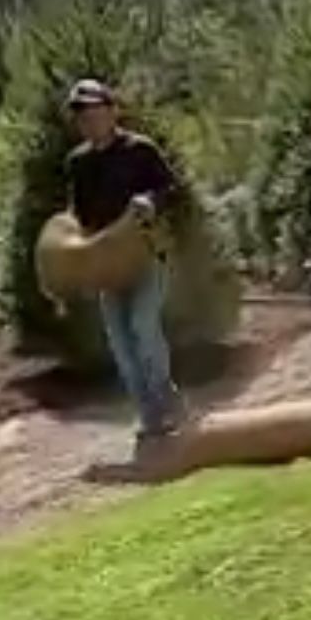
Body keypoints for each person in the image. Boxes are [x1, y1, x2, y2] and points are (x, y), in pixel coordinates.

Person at [65, 78, 186, 447]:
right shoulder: (78, 163)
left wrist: (151, 200)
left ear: (112, 111)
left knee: (142, 325)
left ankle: (168, 400)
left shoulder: (140, 150)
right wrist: (81, 258)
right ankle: (150, 415)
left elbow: (172, 189)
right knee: (121, 344)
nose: (90, 121)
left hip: (146, 253)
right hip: (107, 265)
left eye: (95, 112)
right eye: (82, 116)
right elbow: (81, 216)